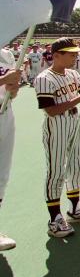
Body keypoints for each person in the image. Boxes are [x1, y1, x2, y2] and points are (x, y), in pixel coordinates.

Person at [34, 38, 80, 238]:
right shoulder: (43, 78)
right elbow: (51, 110)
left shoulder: (72, 74)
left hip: (73, 124)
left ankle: (74, 209)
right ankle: (54, 218)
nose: (75, 56)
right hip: (56, 127)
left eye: (75, 53)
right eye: (70, 53)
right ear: (56, 55)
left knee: (75, 167)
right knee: (56, 171)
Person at [0, 48, 22, 250]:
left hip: (5, 113)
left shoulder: (6, 54)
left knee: (1, 174)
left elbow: (11, 91)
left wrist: (13, 88)